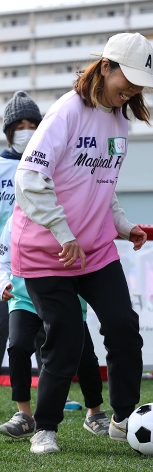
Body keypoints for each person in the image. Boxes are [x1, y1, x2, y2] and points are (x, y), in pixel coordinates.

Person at [10, 32, 153, 454]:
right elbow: (29, 178)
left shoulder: (120, 121)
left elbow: (101, 185)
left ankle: (122, 417)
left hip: (93, 250)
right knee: (67, 335)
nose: (130, 89)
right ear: (105, 66)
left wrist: (123, 226)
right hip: (46, 252)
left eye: (138, 84)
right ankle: (46, 429)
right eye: (125, 78)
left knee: (123, 327)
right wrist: (63, 231)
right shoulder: (66, 112)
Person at [0, 216, 109, 438]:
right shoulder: (16, 220)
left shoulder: (77, 215)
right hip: (24, 298)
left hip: (67, 300)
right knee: (19, 346)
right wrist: (3, 282)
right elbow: (3, 260)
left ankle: (95, 413)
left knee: (85, 357)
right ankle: (24, 416)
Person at [0, 91, 42, 372]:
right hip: (3, 266)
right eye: (20, 126)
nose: (26, 132)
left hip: (39, 263)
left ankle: (55, 396)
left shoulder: (46, 167)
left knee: (46, 335)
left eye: (32, 125)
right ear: (8, 132)